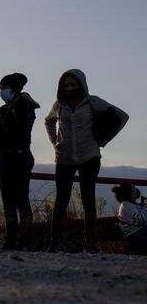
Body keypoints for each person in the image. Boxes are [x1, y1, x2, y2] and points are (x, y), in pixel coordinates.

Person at [44, 69, 128, 252]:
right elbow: (48, 121)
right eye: (66, 84)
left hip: (89, 157)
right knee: (61, 200)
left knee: (88, 201)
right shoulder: (58, 105)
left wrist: (104, 139)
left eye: (73, 84)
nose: (69, 87)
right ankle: (55, 242)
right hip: (64, 158)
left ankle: (90, 243)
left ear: (81, 84)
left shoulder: (93, 102)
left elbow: (122, 116)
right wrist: (55, 141)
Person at [0, 73, 40, 250]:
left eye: (4, 88)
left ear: (13, 88)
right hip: (5, 158)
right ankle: (12, 240)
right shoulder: (4, 110)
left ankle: (23, 241)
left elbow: (20, 132)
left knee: (20, 200)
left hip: (19, 157)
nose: (1, 92)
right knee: (9, 201)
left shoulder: (24, 106)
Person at [113, 183, 147, 254]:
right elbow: (141, 219)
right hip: (135, 235)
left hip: (140, 232)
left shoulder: (131, 204)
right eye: (134, 189)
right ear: (129, 194)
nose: (136, 190)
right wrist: (145, 208)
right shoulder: (125, 205)